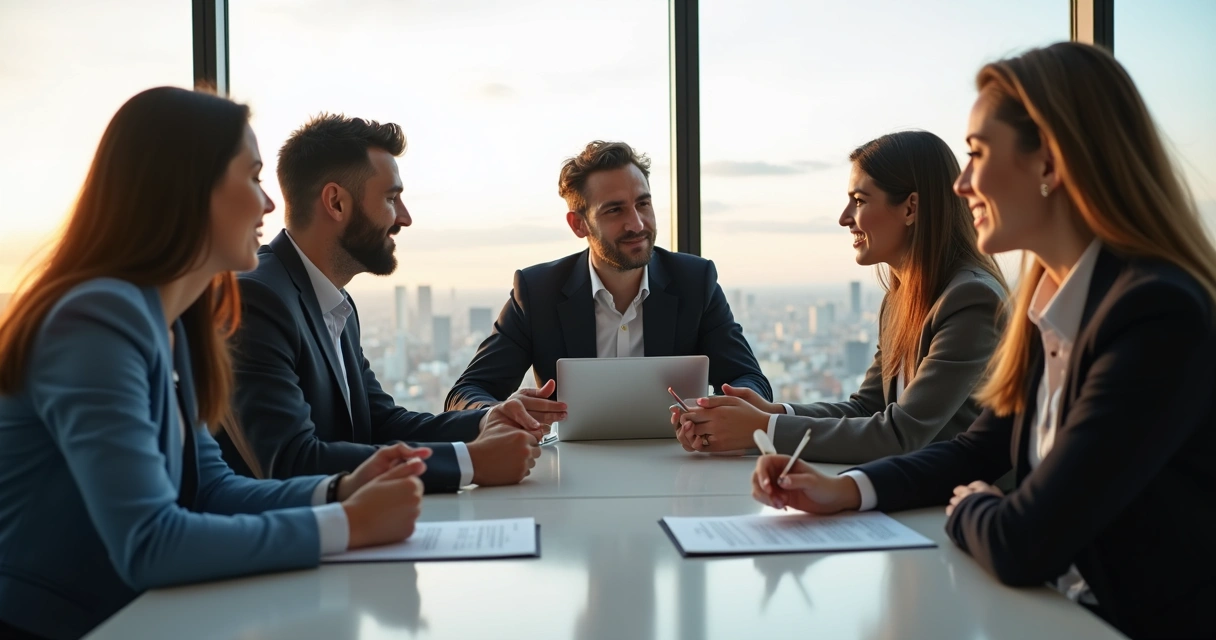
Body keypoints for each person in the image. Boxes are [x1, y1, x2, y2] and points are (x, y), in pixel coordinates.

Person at [750, 42, 1215, 639]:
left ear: (1049, 163)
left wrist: (971, 505)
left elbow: (1025, 540)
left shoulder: (1154, 314)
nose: (962, 184)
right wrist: (844, 491)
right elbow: (977, 451)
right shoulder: (1046, 301)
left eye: (976, 154)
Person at [0, 88, 426, 640]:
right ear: (189, 189)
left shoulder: (172, 324)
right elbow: (150, 543)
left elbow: (212, 490)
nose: (269, 205)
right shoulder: (95, 320)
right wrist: (346, 525)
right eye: (252, 178)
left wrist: (342, 490)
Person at [220, 114, 543, 493]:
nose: (404, 217)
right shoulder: (256, 299)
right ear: (336, 203)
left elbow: (379, 423)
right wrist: (469, 463)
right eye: (391, 198)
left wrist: (485, 420)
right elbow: (291, 460)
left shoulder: (335, 302)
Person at [673, 131, 1007, 462]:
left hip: (961, 503)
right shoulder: (901, 298)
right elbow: (867, 408)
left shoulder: (970, 299)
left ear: (910, 208)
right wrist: (772, 411)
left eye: (859, 201)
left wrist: (763, 428)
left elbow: (900, 435)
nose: (845, 217)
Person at [445, 140, 772, 423]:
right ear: (578, 224)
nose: (637, 223)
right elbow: (466, 393)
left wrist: (731, 406)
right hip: (569, 474)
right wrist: (498, 413)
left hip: (680, 463)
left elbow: (750, 380)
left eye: (643, 203)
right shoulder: (536, 291)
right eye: (614, 211)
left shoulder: (695, 281)